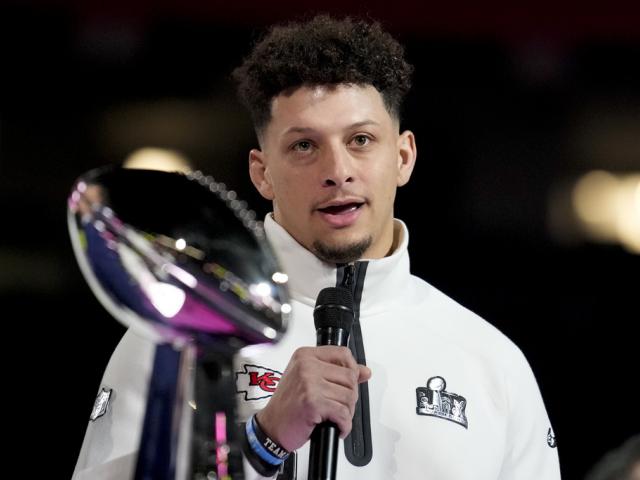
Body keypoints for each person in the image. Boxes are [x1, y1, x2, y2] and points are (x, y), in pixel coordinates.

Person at [72, 15, 561, 480]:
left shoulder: (491, 362)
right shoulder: (182, 338)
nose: (337, 170)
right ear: (261, 172)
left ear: (404, 157)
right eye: (304, 145)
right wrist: (263, 440)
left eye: (362, 140)